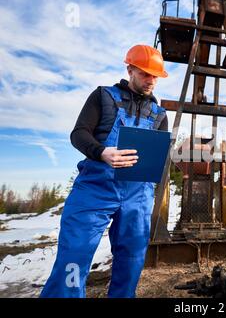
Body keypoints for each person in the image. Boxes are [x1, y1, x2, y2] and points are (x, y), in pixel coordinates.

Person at [40, 45, 169, 298]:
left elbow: (160, 155)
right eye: (145, 73)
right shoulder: (103, 97)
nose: (151, 80)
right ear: (130, 69)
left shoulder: (160, 114)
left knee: (131, 258)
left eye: (155, 75)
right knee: (74, 254)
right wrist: (101, 152)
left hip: (138, 194)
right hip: (95, 188)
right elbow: (79, 134)